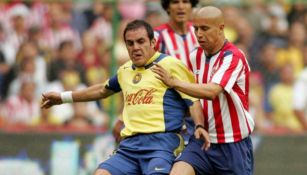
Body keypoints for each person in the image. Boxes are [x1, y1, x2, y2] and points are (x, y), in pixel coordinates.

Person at [41, 20, 210, 175]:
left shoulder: (171, 65)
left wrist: (199, 125)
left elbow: (193, 99)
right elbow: (102, 90)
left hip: (162, 144)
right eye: (130, 43)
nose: (135, 47)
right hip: (129, 146)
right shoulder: (125, 70)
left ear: (153, 43)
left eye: (141, 41)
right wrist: (62, 98)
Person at [152, 6, 255, 175]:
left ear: (221, 28)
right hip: (202, 140)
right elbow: (194, 97)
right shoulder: (195, 55)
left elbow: (211, 91)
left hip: (232, 145)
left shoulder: (233, 57)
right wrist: (198, 124)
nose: (198, 34)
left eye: (205, 29)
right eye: (196, 28)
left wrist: (173, 82)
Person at [113, 0, 199, 143]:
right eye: (175, 2)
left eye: (186, 1)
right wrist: (123, 115)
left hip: (201, 109)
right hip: (172, 114)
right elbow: (134, 74)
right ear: (167, 6)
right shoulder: (156, 38)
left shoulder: (200, 33)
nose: (181, 6)